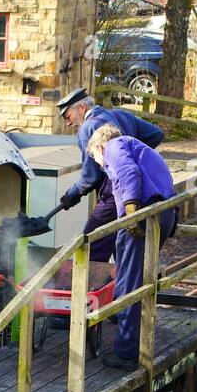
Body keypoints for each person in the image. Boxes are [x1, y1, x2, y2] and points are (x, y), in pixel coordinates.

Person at [85, 123, 179, 370]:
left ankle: (126, 351)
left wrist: (130, 210)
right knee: (138, 280)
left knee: (129, 282)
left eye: (95, 157)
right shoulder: (139, 148)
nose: (98, 164)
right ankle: (129, 333)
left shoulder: (115, 146)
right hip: (163, 214)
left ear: (99, 146)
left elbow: (127, 173)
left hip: (144, 215)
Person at [55, 87, 165, 266]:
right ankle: (119, 289)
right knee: (120, 245)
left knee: (90, 246)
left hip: (112, 193)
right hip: (135, 191)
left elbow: (90, 177)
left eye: (68, 117)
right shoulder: (121, 115)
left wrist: (71, 195)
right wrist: (133, 156)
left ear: (81, 108)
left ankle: (87, 290)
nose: (68, 123)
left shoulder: (88, 128)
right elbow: (156, 134)